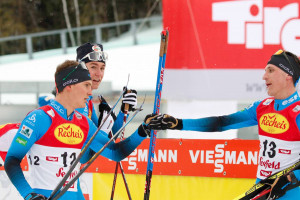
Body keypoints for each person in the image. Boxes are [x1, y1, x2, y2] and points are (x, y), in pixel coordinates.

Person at [146, 50, 300, 200]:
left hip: (290, 191)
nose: (264, 76)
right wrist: (177, 124)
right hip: (262, 188)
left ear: (288, 75)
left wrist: (292, 177)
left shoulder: (297, 111)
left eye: (271, 70)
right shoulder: (262, 107)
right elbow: (221, 123)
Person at [4, 60, 151, 200]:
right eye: (86, 85)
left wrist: (144, 129)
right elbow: (12, 160)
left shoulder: (83, 123)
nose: (89, 92)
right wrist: (29, 195)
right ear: (69, 86)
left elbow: (115, 152)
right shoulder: (39, 118)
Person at [76, 42, 137, 135]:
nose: (99, 74)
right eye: (93, 67)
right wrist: (104, 130)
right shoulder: (75, 100)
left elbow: (111, 136)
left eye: (102, 68)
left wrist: (124, 111)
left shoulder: (87, 100)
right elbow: (99, 145)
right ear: (80, 68)